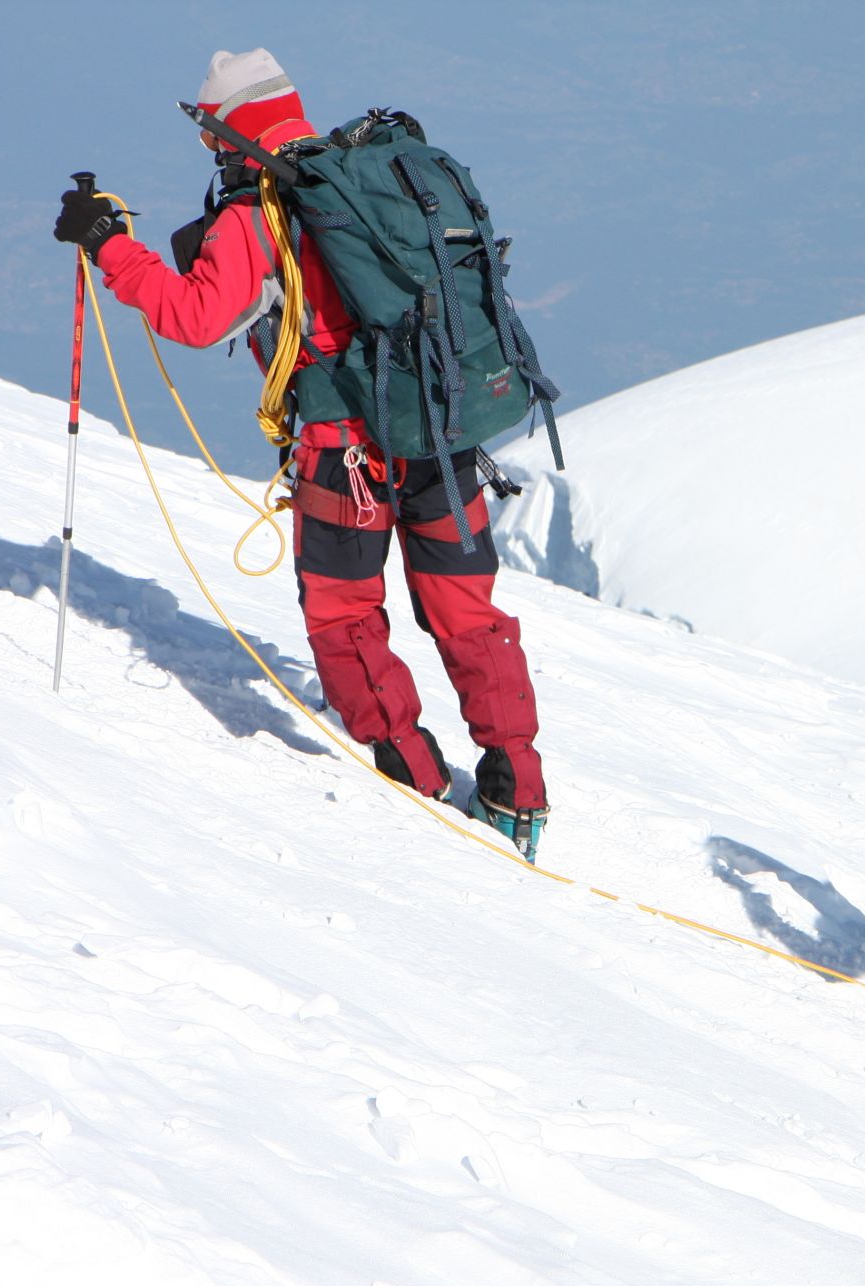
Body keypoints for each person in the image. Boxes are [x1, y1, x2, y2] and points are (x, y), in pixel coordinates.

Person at [52, 49, 551, 857]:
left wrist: (111, 246)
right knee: (469, 613)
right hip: (443, 430)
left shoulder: (263, 213)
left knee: (344, 614)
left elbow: (197, 316)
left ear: (224, 132)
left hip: (343, 452)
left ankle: (413, 780)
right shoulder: (372, 180)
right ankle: (518, 790)